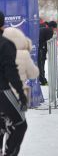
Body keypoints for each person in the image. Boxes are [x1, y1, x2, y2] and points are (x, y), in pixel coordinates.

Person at [0, 11, 29, 156]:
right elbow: (11, 72)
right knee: (20, 124)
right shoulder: (5, 44)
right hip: (2, 91)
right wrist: (21, 95)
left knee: (2, 124)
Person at [38, 21, 57, 85]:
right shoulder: (49, 31)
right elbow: (48, 43)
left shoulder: (44, 29)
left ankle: (41, 79)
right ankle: (42, 80)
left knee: (40, 64)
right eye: (55, 28)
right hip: (40, 48)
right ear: (53, 27)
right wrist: (46, 52)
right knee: (41, 64)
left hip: (38, 47)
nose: (55, 30)